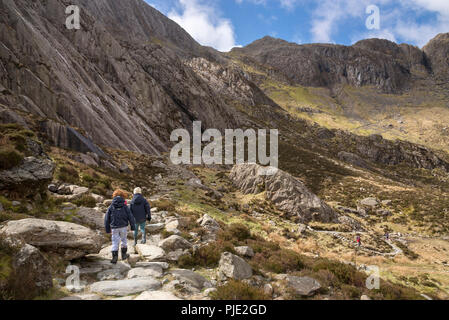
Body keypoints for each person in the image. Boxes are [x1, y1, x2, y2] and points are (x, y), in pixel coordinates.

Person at [104, 189, 136, 264]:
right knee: (124, 240)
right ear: (123, 196)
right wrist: (132, 226)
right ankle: (124, 255)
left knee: (115, 242)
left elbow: (106, 218)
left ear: (114, 196)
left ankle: (114, 258)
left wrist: (107, 229)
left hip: (114, 227)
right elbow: (130, 216)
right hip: (123, 226)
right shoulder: (125, 206)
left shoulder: (111, 206)